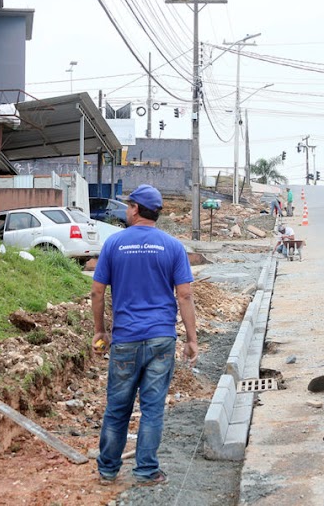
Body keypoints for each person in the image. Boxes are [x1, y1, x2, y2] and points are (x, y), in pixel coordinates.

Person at [91, 184, 199, 485]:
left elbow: (97, 291)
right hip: (161, 339)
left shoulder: (114, 244)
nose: (127, 210)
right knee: (152, 408)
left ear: (136, 209)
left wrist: (100, 330)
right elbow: (185, 295)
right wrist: (191, 339)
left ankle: (108, 470)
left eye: (128, 206)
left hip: (125, 338)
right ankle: (146, 471)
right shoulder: (173, 246)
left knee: (117, 408)